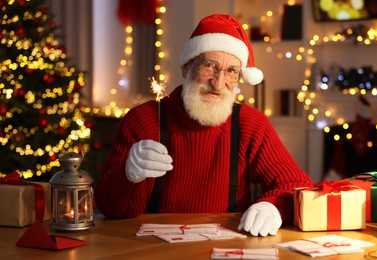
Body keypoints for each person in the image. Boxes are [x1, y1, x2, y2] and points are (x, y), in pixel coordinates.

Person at [94, 14, 313, 237]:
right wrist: (127, 176)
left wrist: (273, 206)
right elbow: (110, 209)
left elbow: (298, 186)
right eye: (210, 66)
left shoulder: (250, 123)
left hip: (225, 247)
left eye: (231, 71)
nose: (218, 84)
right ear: (186, 67)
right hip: (152, 249)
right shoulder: (143, 120)